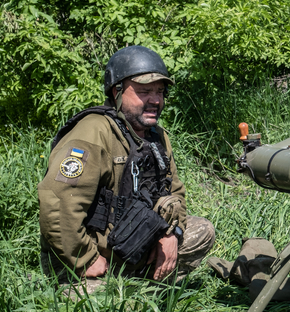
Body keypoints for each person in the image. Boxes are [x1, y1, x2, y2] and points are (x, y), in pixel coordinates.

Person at [38, 45, 215, 295]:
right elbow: (57, 203)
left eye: (160, 92)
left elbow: (176, 193)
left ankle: (143, 287)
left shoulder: (157, 137)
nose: (155, 100)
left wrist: (172, 234)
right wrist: (85, 258)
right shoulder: (93, 133)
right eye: (144, 92)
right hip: (88, 259)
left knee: (202, 231)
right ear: (117, 91)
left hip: (134, 246)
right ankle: (124, 293)